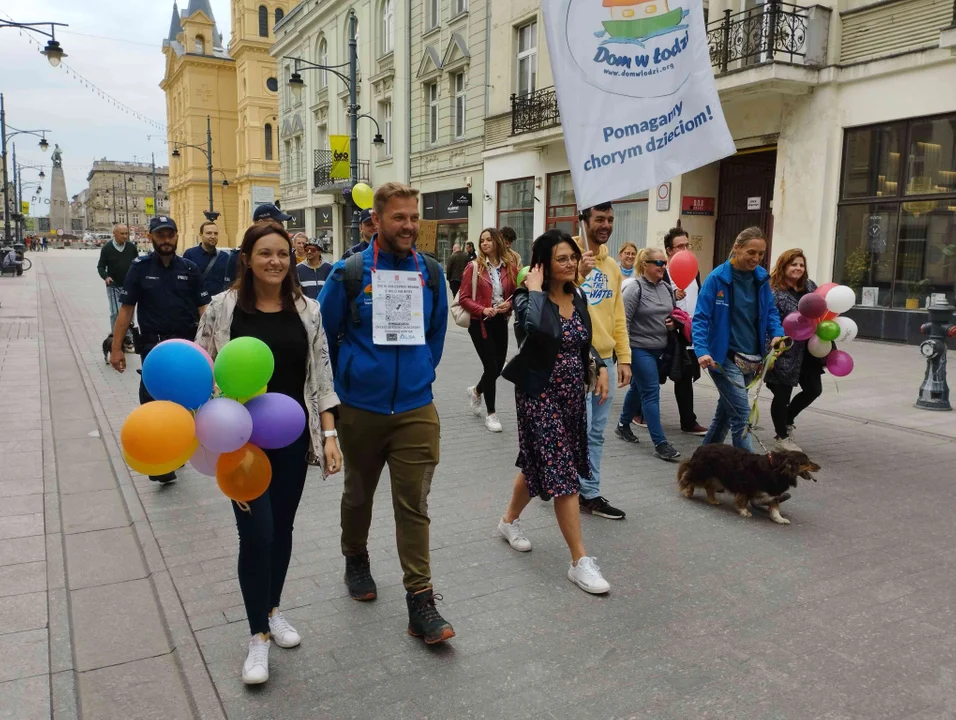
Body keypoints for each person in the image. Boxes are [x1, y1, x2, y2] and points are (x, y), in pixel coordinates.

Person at [195, 221, 342, 686]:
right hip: (241, 444)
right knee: (256, 535)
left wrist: (331, 434)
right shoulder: (222, 309)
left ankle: (273, 608)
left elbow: (321, 376)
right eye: (265, 253)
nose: (275, 261)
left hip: (293, 438)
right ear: (248, 258)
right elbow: (200, 364)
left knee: (281, 530)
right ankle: (257, 636)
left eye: (283, 253)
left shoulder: (308, 310)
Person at [319, 182, 454, 645]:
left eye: (414, 217)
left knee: (413, 506)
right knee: (358, 494)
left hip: (416, 409)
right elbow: (324, 341)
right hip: (360, 410)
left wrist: (419, 374)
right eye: (400, 218)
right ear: (377, 220)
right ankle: (355, 556)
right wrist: (342, 394)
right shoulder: (349, 274)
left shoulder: (431, 273)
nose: (410, 226)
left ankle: (421, 602)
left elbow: (435, 336)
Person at [497, 229, 611, 594]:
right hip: (538, 394)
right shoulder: (526, 299)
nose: (571, 264)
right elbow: (539, 332)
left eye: (573, 257)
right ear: (544, 263)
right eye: (562, 258)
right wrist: (532, 290)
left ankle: (508, 521)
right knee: (562, 474)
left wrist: (600, 365)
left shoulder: (575, 295)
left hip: (571, 395)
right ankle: (580, 561)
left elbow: (581, 339)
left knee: (535, 463)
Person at [109, 216, 210, 483]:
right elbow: (126, 310)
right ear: (152, 237)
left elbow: (205, 311)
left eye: (169, 235)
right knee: (152, 399)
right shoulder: (139, 268)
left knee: (183, 402)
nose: (165, 240)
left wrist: (213, 347)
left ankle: (177, 447)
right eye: (160, 235)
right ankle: (160, 462)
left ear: (177, 236)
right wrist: (116, 348)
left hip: (186, 346)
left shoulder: (189, 269)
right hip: (154, 347)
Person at [692, 226, 785, 452]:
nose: (756, 258)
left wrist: (777, 334)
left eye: (761, 254)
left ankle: (699, 467)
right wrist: (702, 351)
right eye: (751, 252)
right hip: (723, 359)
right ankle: (750, 478)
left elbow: (771, 312)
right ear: (737, 248)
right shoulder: (717, 279)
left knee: (725, 415)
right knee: (742, 417)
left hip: (752, 358)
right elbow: (701, 318)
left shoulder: (762, 279)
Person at [572, 203, 631, 520]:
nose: (606, 224)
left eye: (610, 219)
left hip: (606, 362)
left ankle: (589, 493)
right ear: (584, 221)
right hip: (576, 361)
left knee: (595, 432)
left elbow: (617, 316)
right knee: (574, 430)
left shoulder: (613, 267)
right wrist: (578, 273)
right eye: (599, 219)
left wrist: (624, 357)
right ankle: (562, 483)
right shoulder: (564, 254)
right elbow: (554, 301)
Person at [614, 248, 682, 461]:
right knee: (651, 392)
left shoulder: (667, 289)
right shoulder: (634, 289)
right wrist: (623, 356)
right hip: (638, 348)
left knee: (638, 387)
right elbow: (622, 321)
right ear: (645, 265)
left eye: (664, 263)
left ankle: (623, 425)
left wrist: (672, 324)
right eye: (658, 263)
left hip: (661, 349)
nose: (663, 267)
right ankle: (660, 443)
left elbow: (673, 315)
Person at [640, 226, 707, 436]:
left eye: (687, 245)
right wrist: (671, 299)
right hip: (663, 331)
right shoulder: (660, 273)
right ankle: (636, 412)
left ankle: (688, 420)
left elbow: (699, 298)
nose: (685, 249)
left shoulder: (694, 270)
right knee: (654, 375)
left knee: (684, 376)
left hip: (687, 332)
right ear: (669, 251)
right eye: (680, 246)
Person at [459, 228, 518, 433]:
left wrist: (508, 306)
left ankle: (476, 391)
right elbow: (464, 298)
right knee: (491, 367)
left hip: (500, 321)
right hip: (479, 322)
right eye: (482, 240)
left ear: (498, 242)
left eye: (489, 240)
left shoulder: (509, 267)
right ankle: (491, 414)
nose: (484, 243)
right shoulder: (473, 267)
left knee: (498, 367)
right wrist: (483, 309)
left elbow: (515, 294)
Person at [766, 249, 823, 452]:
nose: (798, 268)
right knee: (782, 394)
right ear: (784, 266)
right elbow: (768, 321)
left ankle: (787, 419)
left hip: (810, 349)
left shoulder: (809, 287)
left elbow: (821, 311)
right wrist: (770, 350)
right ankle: (781, 437)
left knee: (814, 389)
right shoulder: (773, 291)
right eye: (794, 264)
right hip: (784, 349)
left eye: (801, 265)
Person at [97, 224, 140, 351]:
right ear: (114, 234)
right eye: (122, 234)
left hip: (129, 285)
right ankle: (115, 338)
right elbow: (100, 266)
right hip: (113, 285)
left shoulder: (131, 247)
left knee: (129, 313)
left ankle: (128, 338)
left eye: (126, 233)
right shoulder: (107, 248)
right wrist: (106, 276)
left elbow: (137, 263)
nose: (125, 236)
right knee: (116, 313)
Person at [226, 204, 293, 284]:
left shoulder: (287, 252)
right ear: (261, 222)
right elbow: (231, 288)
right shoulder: (237, 255)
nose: (281, 226)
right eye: (277, 222)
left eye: (282, 254)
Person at [183, 221, 230, 296]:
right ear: (201, 235)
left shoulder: (225, 257)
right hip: (197, 304)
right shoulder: (190, 254)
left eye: (216, 233)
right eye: (209, 233)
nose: (213, 236)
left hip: (218, 303)